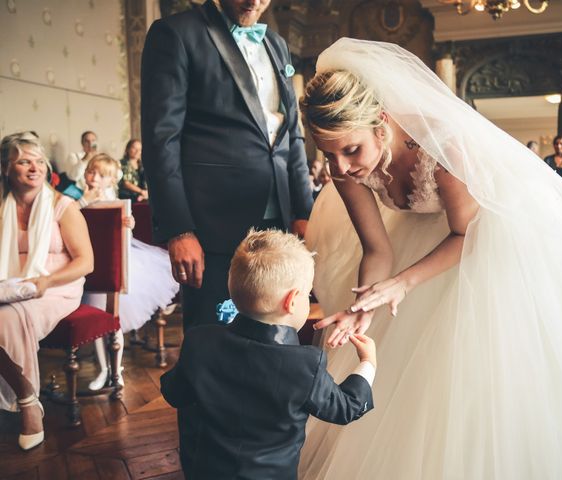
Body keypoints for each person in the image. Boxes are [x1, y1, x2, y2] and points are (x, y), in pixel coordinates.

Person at [297, 38, 562, 479]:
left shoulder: (443, 148)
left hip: (493, 238)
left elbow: (466, 234)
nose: (341, 167)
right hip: (420, 238)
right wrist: (366, 304)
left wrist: (401, 283)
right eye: (328, 154)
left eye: (350, 150)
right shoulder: (345, 168)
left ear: (381, 123)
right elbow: (378, 249)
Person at [141, 0, 313, 473]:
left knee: (275, 344)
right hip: (212, 229)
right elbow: (161, 137)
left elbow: (291, 137)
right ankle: (201, 466)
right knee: (211, 352)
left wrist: (303, 211)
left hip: (278, 225)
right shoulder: (174, 34)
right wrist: (179, 227)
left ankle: (266, 463)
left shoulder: (276, 43)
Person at [160, 229, 375, 479]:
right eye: (307, 294)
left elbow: (174, 393)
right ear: (292, 301)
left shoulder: (199, 340)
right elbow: (346, 408)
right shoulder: (306, 364)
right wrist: (368, 362)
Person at [0, 131, 93, 450]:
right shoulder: (2, 209)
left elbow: (86, 262)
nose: (34, 167)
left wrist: (43, 282)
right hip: (13, 287)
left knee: (5, 319)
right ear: (6, 169)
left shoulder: (62, 206)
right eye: (24, 161)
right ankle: (23, 392)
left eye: (39, 161)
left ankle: (27, 402)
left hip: (58, 288)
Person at [76, 154, 179, 391]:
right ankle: (103, 369)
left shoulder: (115, 201)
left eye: (100, 175)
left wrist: (128, 226)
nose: (94, 177)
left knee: (114, 321)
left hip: (118, 264)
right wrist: (84, 200)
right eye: (91, 171)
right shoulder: (79, 201)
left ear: (111, 180)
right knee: (97, 319)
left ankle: (116, 369)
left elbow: (123, 240)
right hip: (92, 266)